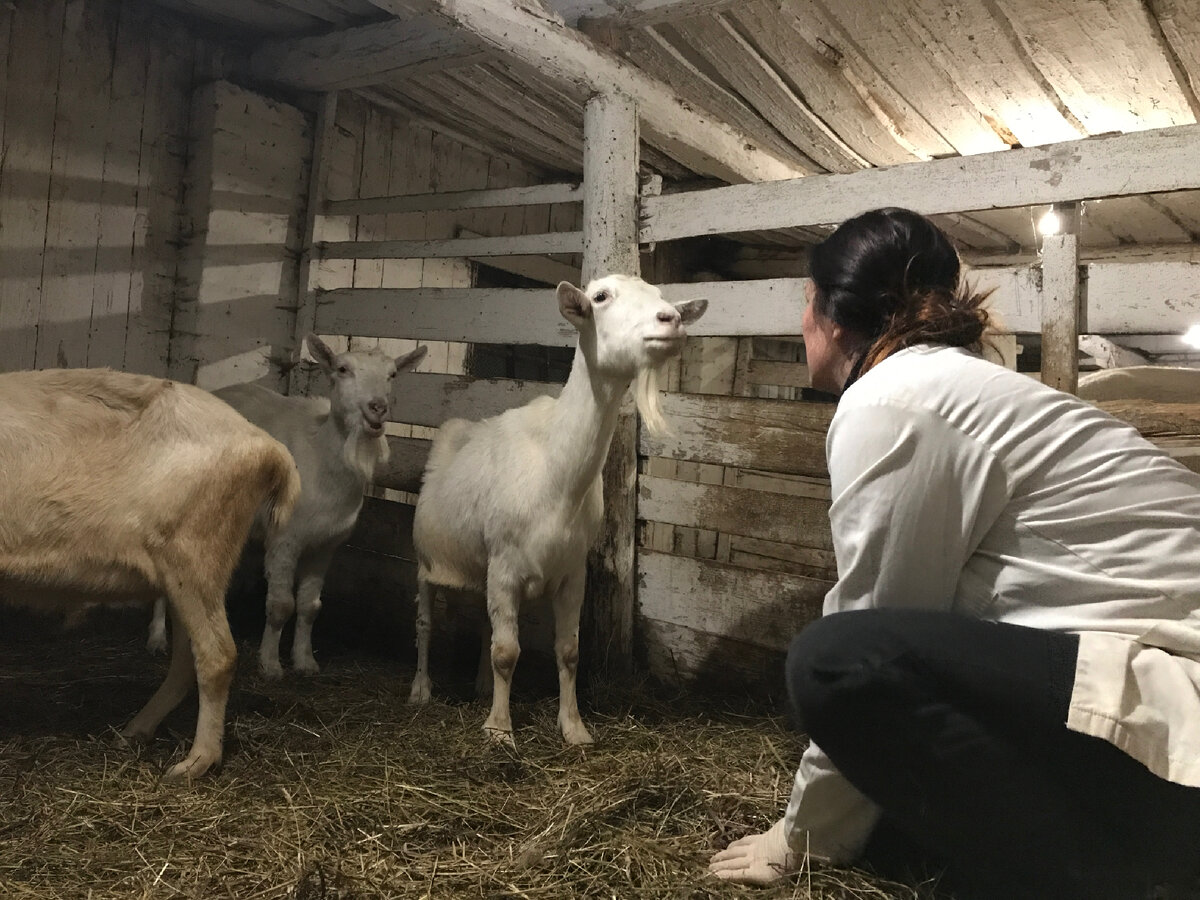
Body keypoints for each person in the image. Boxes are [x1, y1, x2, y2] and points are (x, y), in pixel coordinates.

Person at [707, 207, 1200, 899]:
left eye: (805, 302)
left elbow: (874, 622)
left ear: (832, 311)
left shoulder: (896, 402)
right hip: (1151, 701)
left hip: (1180, 726)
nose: (801, 324)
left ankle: (1106, 878)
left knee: (833, 662)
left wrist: (801, 838)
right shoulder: (957, 389)